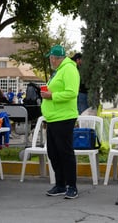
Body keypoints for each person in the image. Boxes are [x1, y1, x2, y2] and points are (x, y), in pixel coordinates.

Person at [41, 45, 80, 199]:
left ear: (57, 58)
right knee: (53, 152)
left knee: (65, 152)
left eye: (51, 58)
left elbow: (72, 92)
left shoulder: (69, 69)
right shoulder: (59, 70)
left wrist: (52, 96)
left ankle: (72, 186)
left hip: (64, 117)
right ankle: (60, 184)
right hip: (52, 118)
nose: (51, 61)